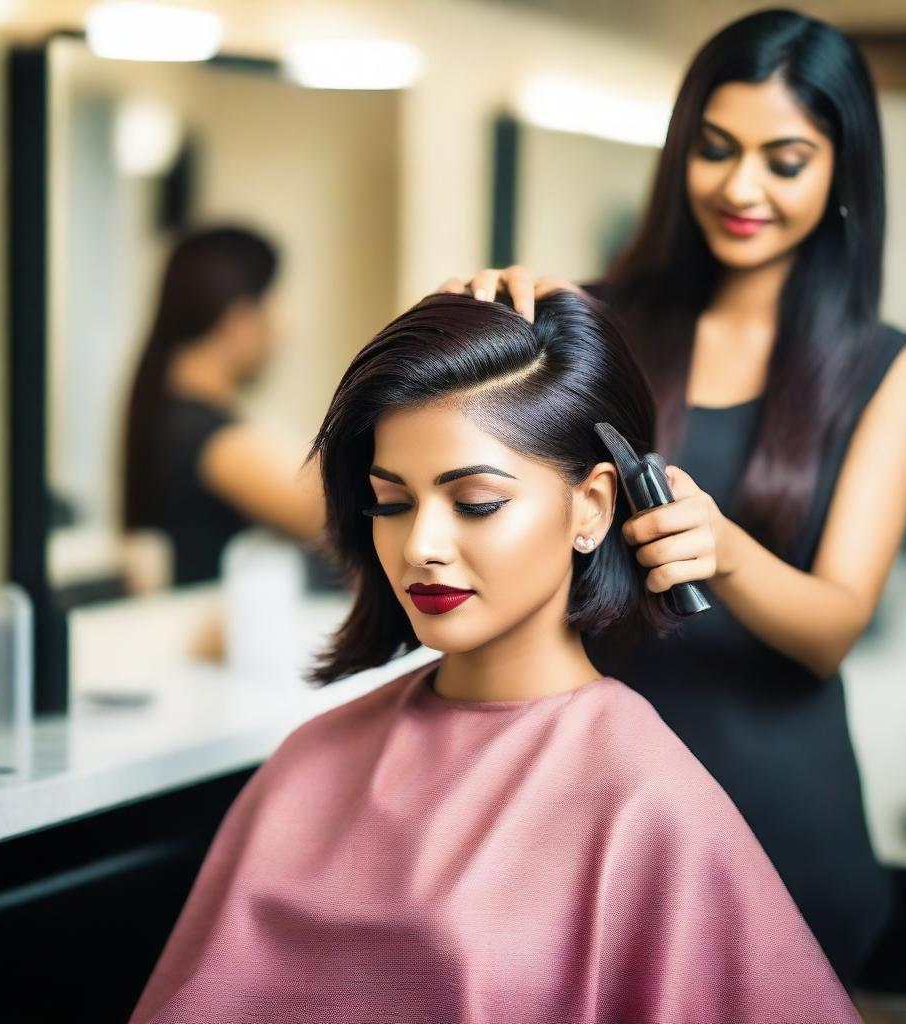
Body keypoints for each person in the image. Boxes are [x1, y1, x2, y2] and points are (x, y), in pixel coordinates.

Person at [128, 291, 860, 1024]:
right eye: (391, 503)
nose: (421, 547)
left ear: (593, 507)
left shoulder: (647, 802)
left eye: (475, 502)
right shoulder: (312, 760)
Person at [438, 7, 906, 987]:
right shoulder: (591, 321)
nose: (740, 187)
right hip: (591, 798)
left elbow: (831, 627)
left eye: (784, 159)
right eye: (714, 149)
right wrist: (484, 345)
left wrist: (728, 547)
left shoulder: (887, 368)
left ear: (842, 174)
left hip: (776, 812)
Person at [121, 225, 324, 587]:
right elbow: (332, 516)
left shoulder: (176, 416)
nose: (284, 327)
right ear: (240, 319)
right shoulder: (208, 436)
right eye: (275, 305)